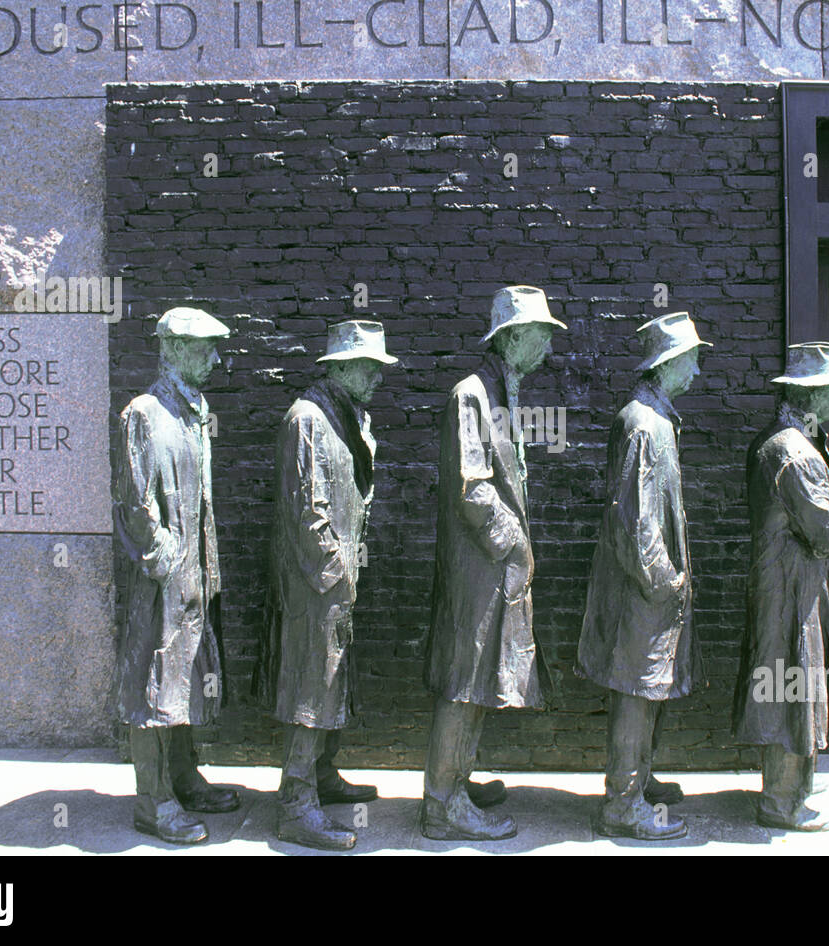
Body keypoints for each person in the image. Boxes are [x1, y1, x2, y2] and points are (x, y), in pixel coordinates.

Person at [422, 285, 567, 841]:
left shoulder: (500, 392)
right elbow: (473, 488)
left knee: (480, 678)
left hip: (492, 567)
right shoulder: (472, 395)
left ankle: (456, 778)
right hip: (477, 568)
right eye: (541, 333)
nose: (548, 345)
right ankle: (441, 802)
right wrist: (515, 543)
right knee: (465, 680)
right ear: (511, 336)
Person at [253, 320, 398, 851]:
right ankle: (295, 803)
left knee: (334, 677)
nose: (377, 376)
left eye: (379, 367)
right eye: (368, 366)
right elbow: (307, 513)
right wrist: (337, 575)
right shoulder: (307, 418)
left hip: (336, 582)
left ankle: (322, 772)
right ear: (338, 367)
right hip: (315, 585)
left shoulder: (346, 414)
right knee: (311, 685)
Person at [577, 312, 710, 841]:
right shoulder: (642, 423)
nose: (698, 372)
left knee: (648, 685)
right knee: (636, 688)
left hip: (650, 588)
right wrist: (663, 581)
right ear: (671, 363)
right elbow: (634, 519)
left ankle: (641, 778)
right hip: (643, 589)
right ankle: (622, 803)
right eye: (693, 360)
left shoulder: (657, 418)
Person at [113, 306, 240, 845]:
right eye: (204, 348)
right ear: (171, 349)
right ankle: (153, 799)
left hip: (193, 573)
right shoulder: (143, 413)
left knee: (185, 673)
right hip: (160, 579)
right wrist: (169, 563)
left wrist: (202, 569)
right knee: (153, 677)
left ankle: (184, 778)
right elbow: (134, 504)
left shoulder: (193, 410)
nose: (215, 358)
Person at [733, 341, 829, 832]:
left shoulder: (786, 440)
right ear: (813, 394)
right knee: (791, 682)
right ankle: (781, 801)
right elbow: (827, 532)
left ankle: (795, 784)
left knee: (797, 682)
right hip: (789, 588)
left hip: (791, 583)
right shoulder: (792, 450)